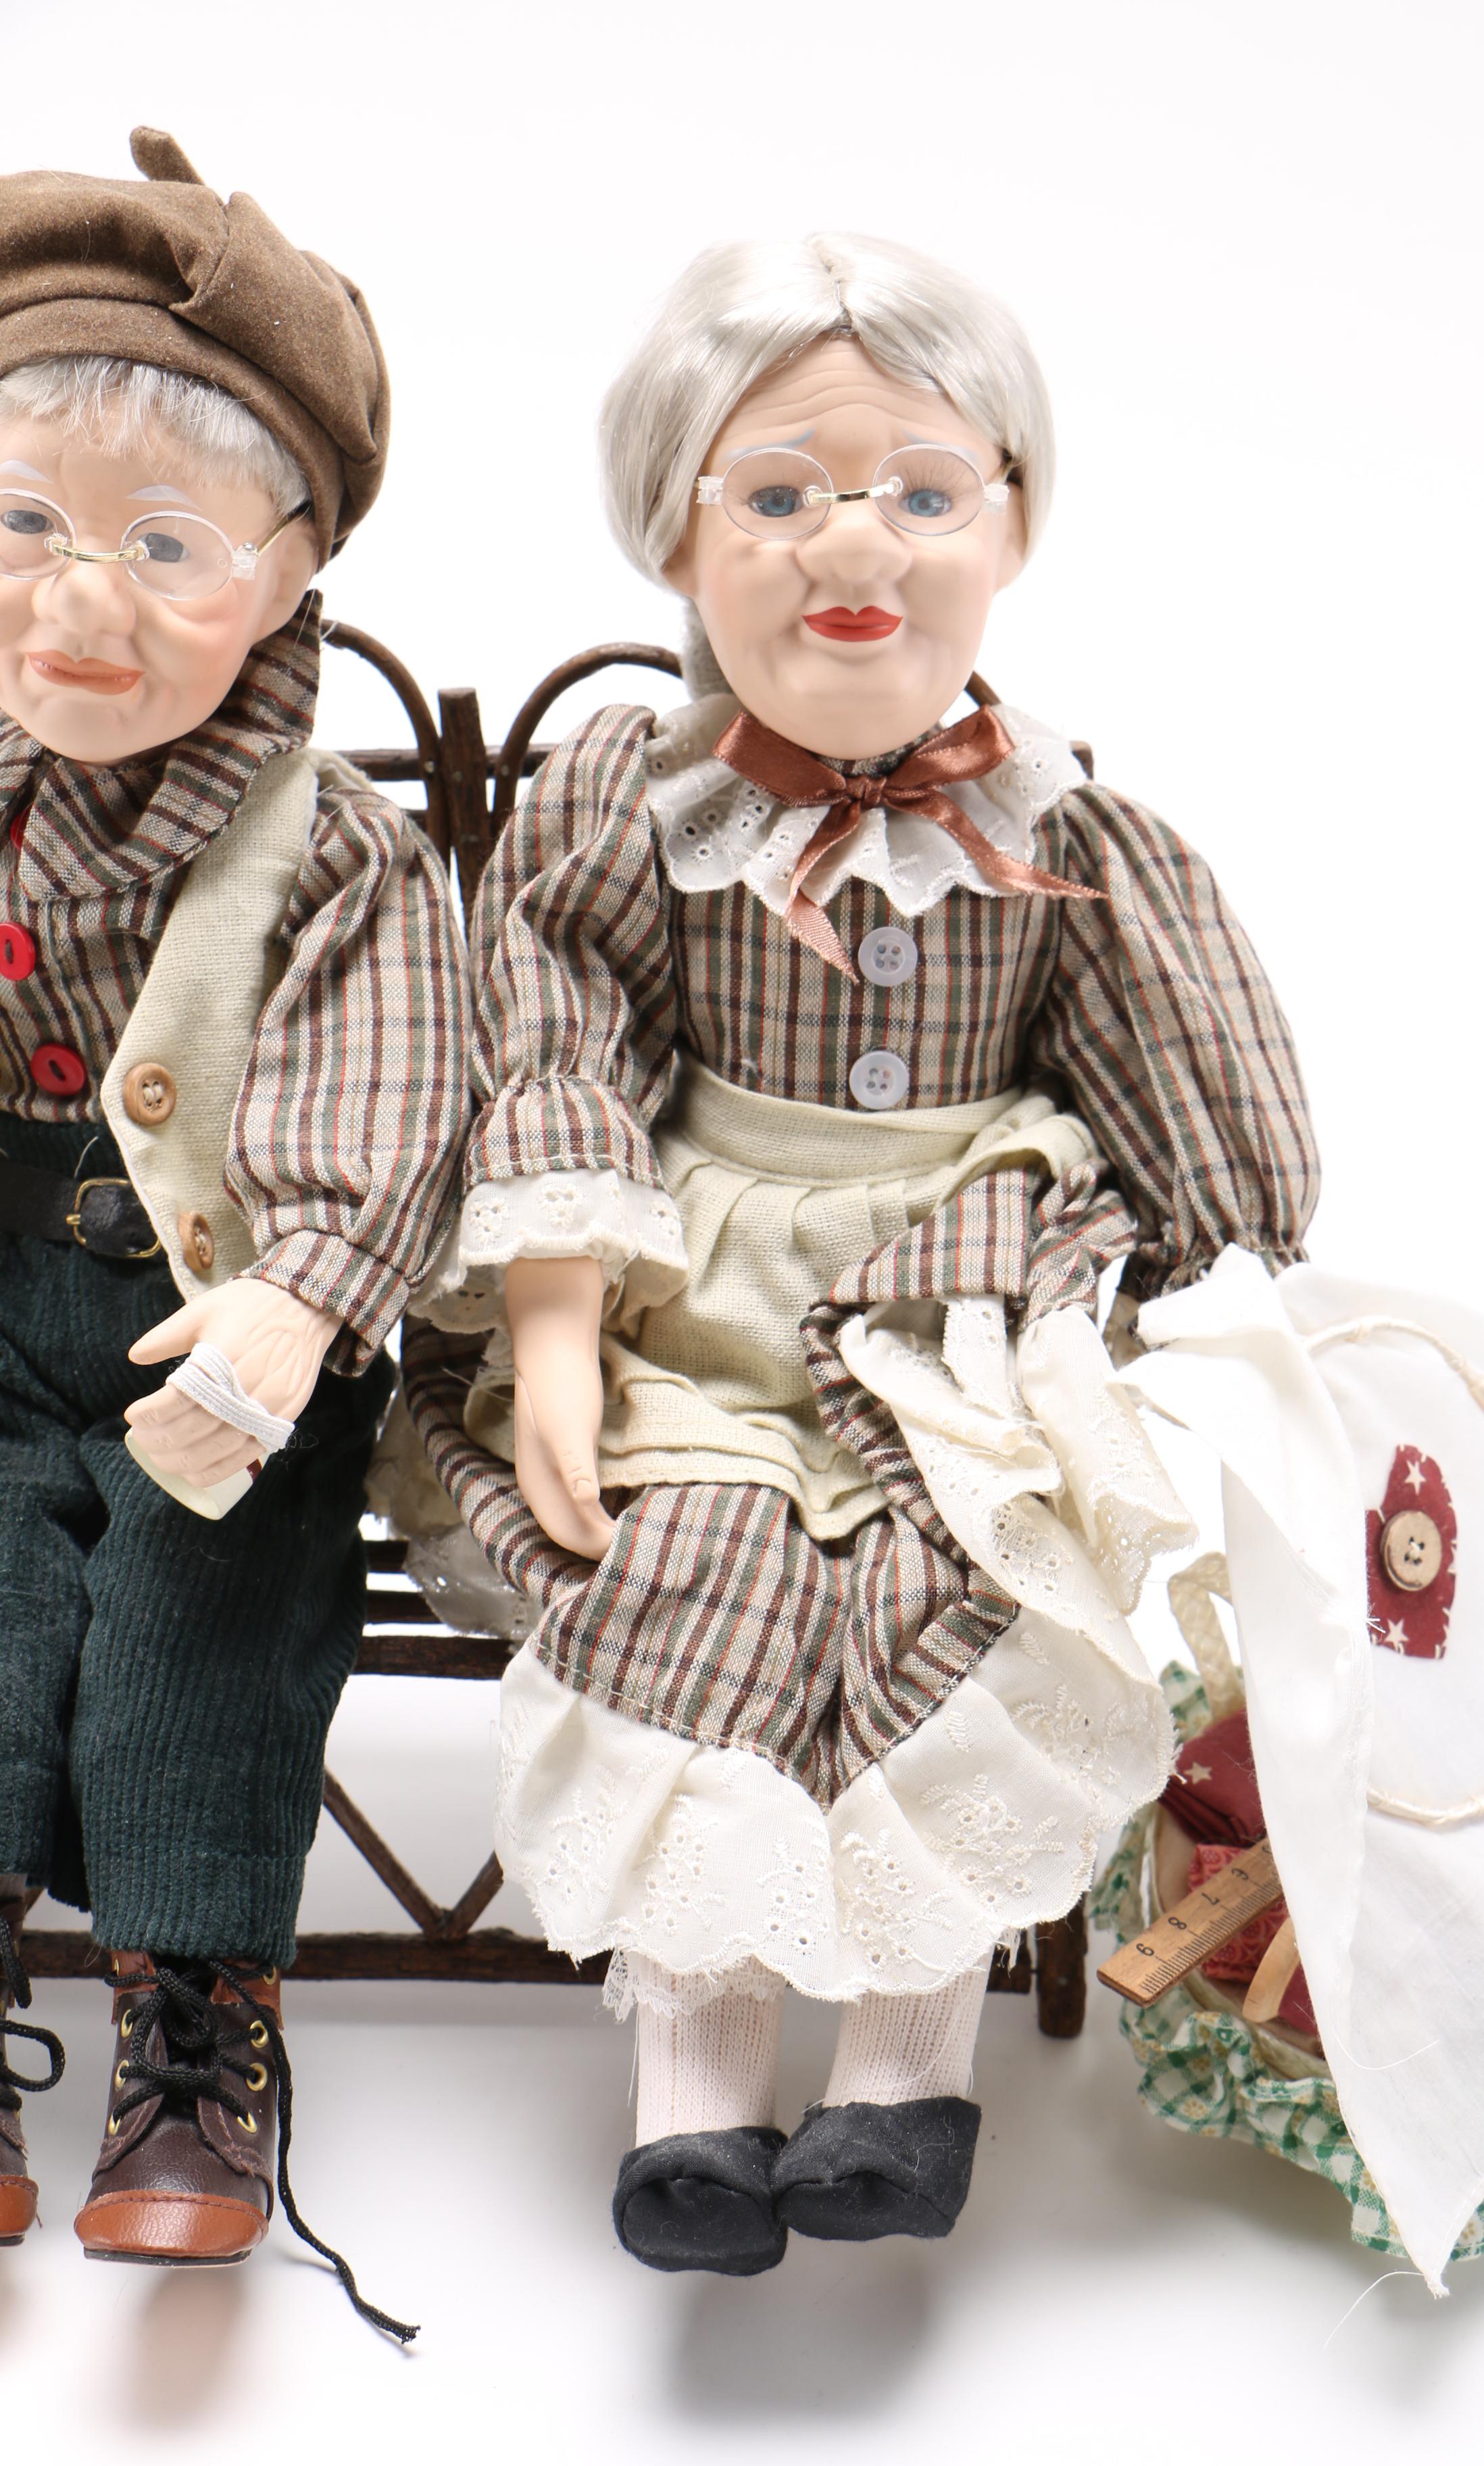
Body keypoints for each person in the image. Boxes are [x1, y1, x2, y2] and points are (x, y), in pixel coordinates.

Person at [405, 233, 1317, 2275]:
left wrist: (1213, 1291)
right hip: (699, 1278)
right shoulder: (632, 813)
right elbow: (552, 1034)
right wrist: (555, 1321)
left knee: (956, 1588)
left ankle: (908, 2079)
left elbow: (1210, 1125)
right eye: (783, 491)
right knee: (688, 1572)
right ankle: (698, 2108)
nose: (858, 546)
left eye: (924, 490)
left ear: (1010, 524)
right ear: (677, 536)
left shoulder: (1065, 832)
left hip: (960, 1300)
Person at [0, 130, 464, 2334]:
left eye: (162, 547)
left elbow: (398, 1081)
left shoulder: (338, 851)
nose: (76, 602)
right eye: (22, 526)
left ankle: (197, 2041)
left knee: (209, 1598)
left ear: (293, 574)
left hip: (220, 1300)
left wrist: (308, 1292)